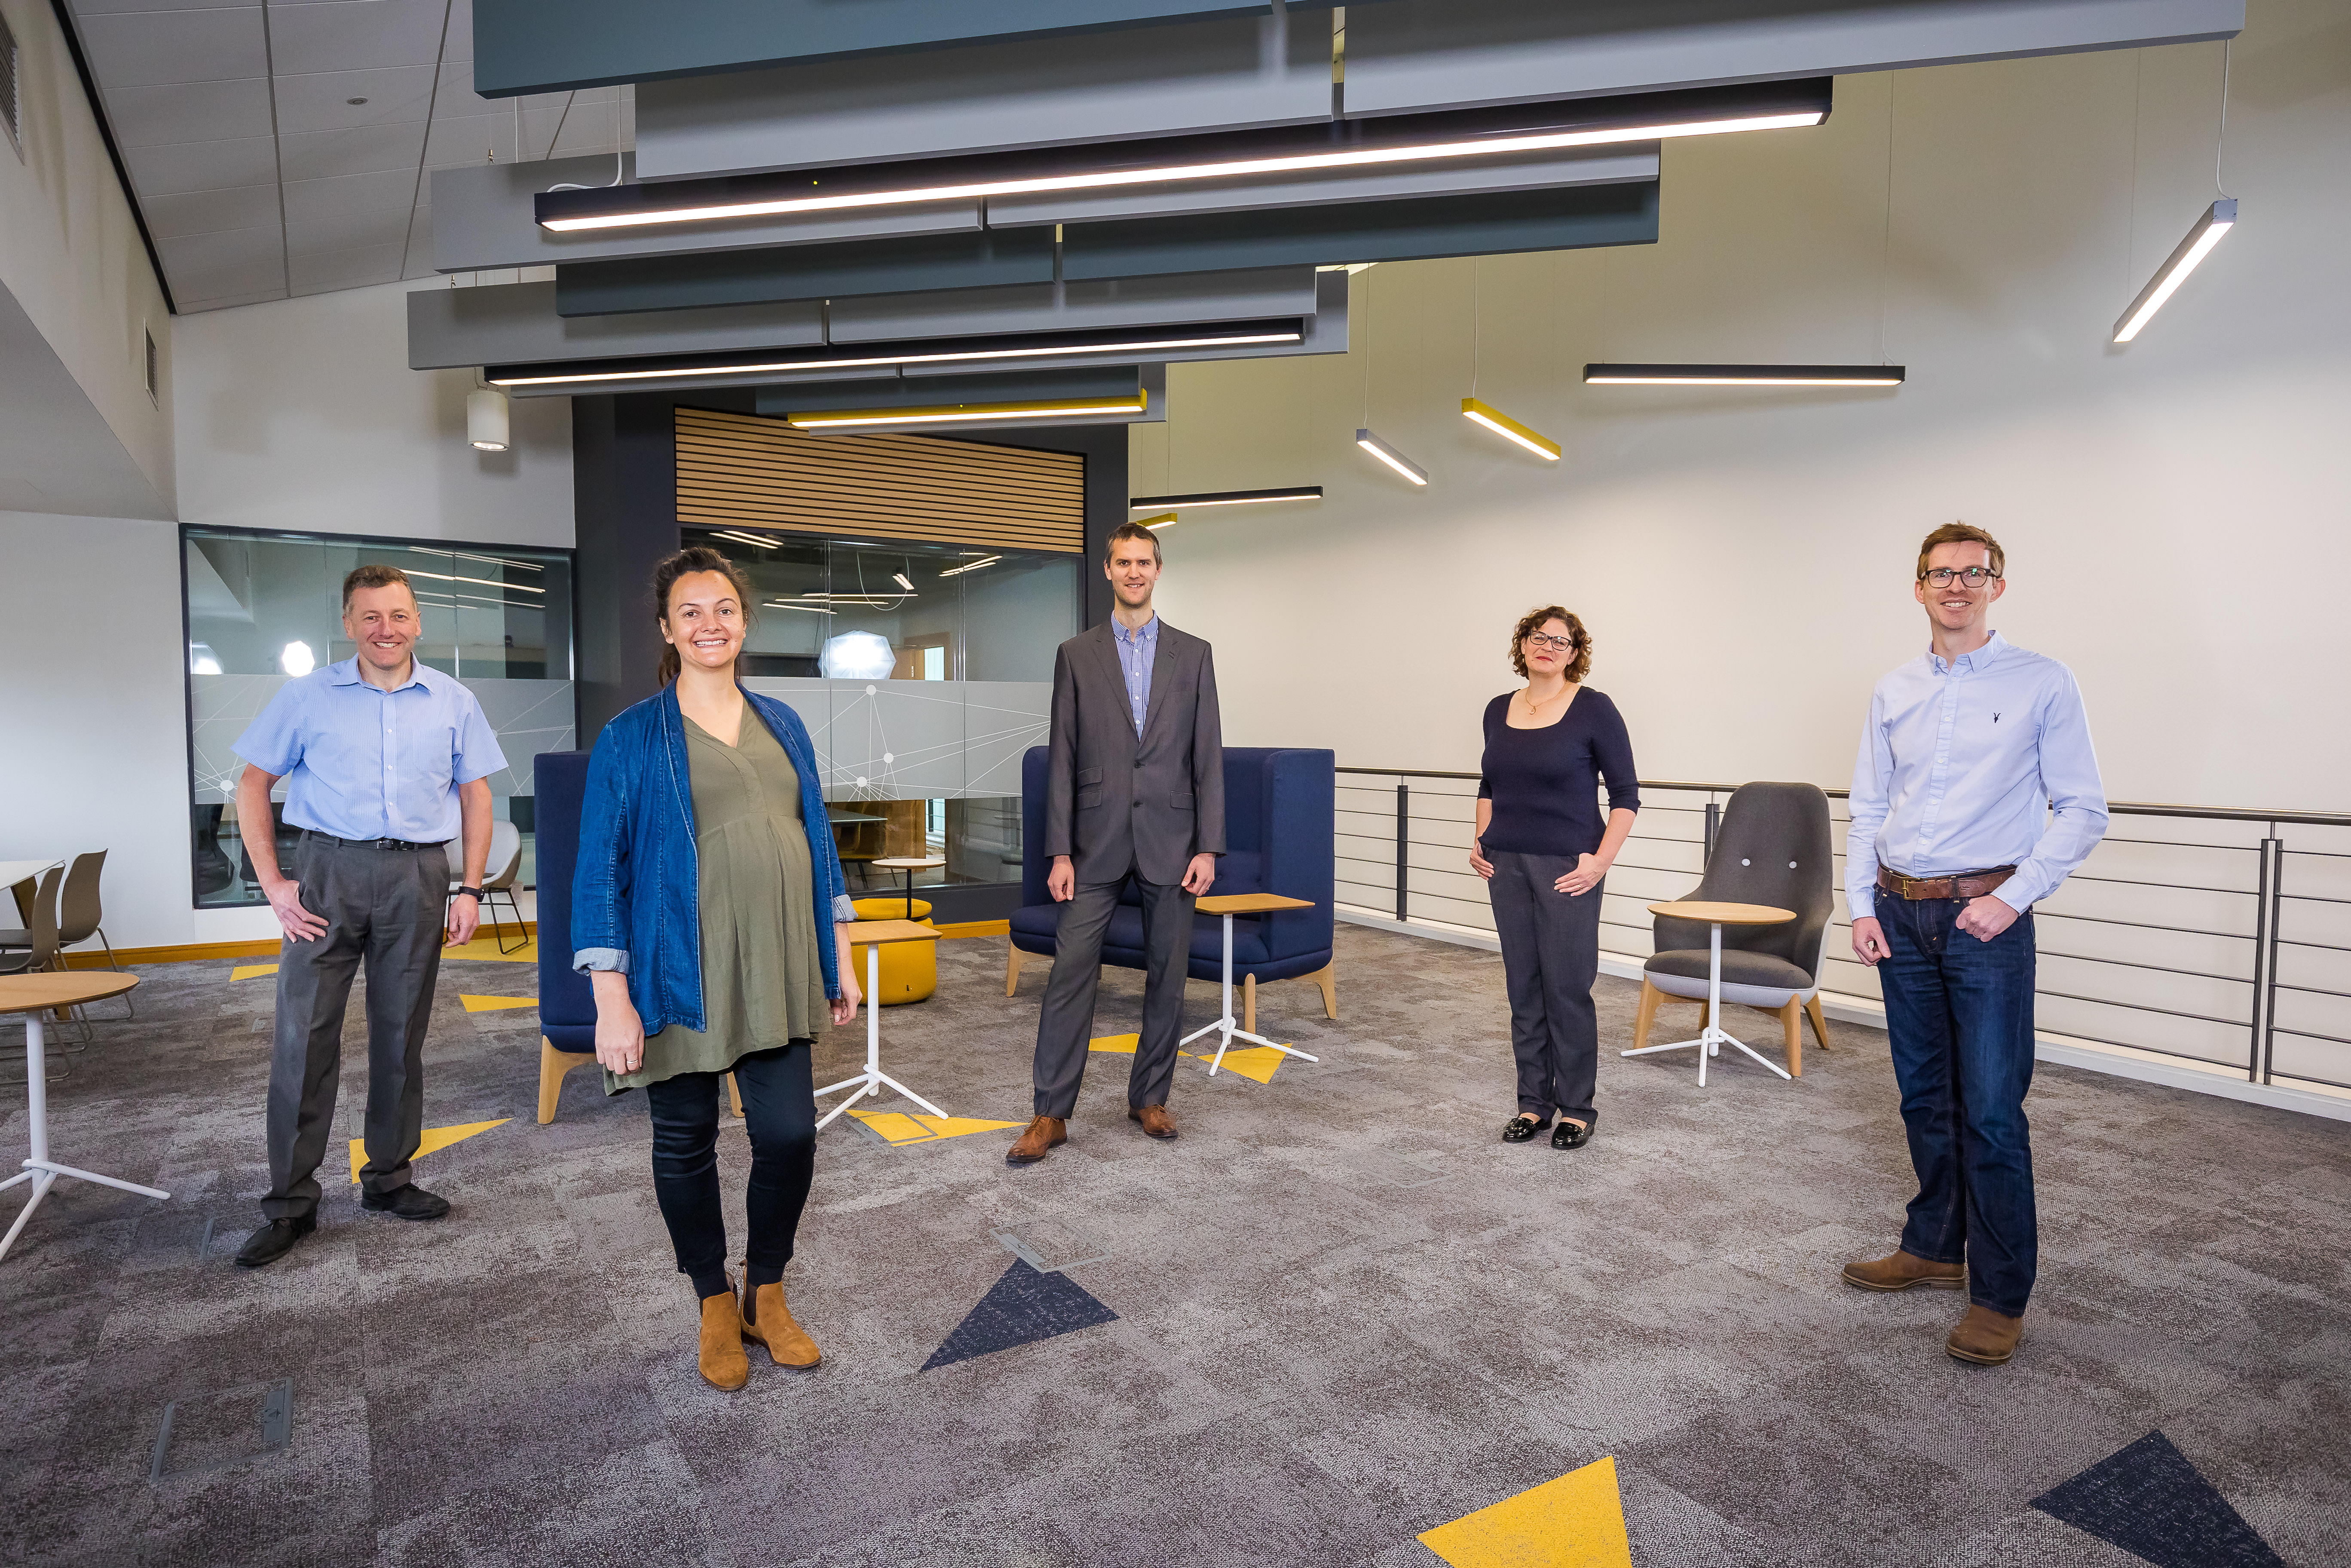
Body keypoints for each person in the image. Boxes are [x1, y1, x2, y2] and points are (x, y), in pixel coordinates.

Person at [572, 548, 861, 1391]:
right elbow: (597, 871)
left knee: (789, 1137)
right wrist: (610, 999)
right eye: (692, 611)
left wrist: (836, 952)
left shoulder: (784, 723)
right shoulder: (631, 737)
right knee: (685, 1141)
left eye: (725, 608)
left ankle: (764, 1291)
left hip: (776, 958)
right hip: (678, 967)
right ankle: (710, 1297)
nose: (710, 624)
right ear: (666, 628)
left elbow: (818, 842)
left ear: (744, 622)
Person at [1842, 522, 2106, 1367]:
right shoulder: (1892, 689)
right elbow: (1866, 808)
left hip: (1982, 920)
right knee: (1922, 1097)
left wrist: (2013, 896)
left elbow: (2083, 809)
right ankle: (1931, 1245)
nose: (1954, 584)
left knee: (1990, 1112)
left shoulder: (2041, 683)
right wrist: (1858, 905)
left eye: (1972, 572)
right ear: (1916, 587)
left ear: (1996, 585)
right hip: (1898, 911)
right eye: (1938, 573)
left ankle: (1997, 1294)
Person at [233, 564, 503, 1269]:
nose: (387, 629)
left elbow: (476, 797)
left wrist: (470, 887)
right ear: (349, 623)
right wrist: (274, 884)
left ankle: (388, 1179)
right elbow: (253, 783)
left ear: (418, 622)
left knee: (401, 1035)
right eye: (371, 616)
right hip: (327, 872)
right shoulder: (309, 696)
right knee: (305, 1038)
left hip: (417, 872)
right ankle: (291, 1204)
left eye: (399, 615)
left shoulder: (453, 699)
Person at [1007, 522, 1224, 1165]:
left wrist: (1208, 846)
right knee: (1071, 975)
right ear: (1107, 570)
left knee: (1168, 976)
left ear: (1158, 570)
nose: (1134, 572)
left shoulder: (1195, 653)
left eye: (1144, 562)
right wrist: (1060, 852)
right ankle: (1050, 1113)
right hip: (1093, 842)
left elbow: (1206, 754)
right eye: (1123, 562)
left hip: (1173, 838)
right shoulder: (1076, 654)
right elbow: (1063, 757)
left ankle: (1149, 1097)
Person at [1469, 607, 1639, 1151]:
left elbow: (1626, 796)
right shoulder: (1499, 710)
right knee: (1523, 986)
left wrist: (1599, 861)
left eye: (1560, 642)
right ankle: (1533, 1103)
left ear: (1574, 653)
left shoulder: (1594, 709)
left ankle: (1576, 1108)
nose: (1548, 647)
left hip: (1569, 867)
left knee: (1566, 988)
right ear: (1522, 645)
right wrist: (1480, 837)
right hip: (1506, 863)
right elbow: (1488, 784)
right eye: (1538, 637)